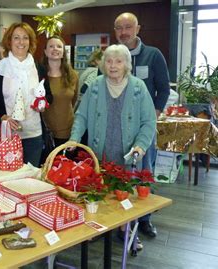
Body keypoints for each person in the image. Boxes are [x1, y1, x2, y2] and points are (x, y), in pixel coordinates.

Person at [68, 44, 156, 249]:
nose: (113, 65)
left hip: (129, 154)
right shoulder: (96, 86)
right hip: (101, 152)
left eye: (118, 61)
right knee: (100, 190)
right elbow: (81, 116)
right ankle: (101, 226)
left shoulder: (138, 87)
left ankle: (127, 231)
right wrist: (74, 139)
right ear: (102, 64)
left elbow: (149, 121)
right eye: (109, 61)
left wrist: (141, 146)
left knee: (127, 192)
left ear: (127, 64)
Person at [114, 12, 170, 237]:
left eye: (128, 27)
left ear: (138, 28)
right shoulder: (110, 56)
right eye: (119, 28)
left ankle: (144, 219)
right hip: (116, 128)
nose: (124, 32)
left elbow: (164, 89)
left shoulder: (153, 55)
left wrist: (152, 117)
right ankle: (120, 220)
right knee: (119, 173)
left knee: (144, 173)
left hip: (144, 130)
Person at [0, 22, 52, 166]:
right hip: (7, 136)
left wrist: (43, 104)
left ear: (30, 41)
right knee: (9, 178)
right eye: (16, 38)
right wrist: (2, 116)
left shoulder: (38, 68)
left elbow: (49, 96)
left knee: (30, 178)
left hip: (34, 134)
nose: (21, 42)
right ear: (9, 41)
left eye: (25, 38)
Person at [40, 36, 79, 147]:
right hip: (46, 133)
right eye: (51, 46)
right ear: (45, 52)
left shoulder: (73, 76)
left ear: (63, 52)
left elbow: (73, 101)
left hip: (68, 132)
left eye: (59, 46)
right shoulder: (38, 76)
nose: (55, 49)